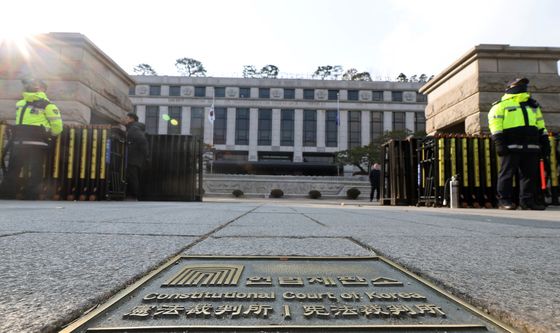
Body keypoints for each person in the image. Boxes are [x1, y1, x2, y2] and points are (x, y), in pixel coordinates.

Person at [488, 77, 549, 210]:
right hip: (510, 146)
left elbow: (541, 125)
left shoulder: (533, 105)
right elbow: (495, 126)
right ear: (509, 88)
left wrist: (545, 141)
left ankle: (527, 202)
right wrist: (499, 143)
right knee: (506, 174)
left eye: (524, 85)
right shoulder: (500, 106)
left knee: (529, 176)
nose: (522, 87)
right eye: (519, 84)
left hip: (531, 146)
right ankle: (504, 201)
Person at [0, 78, 63, 199]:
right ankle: (31, 195)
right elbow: (57, 127)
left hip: (20, 142)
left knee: (14, 169)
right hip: (37, 143)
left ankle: (6, 194)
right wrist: (50, 135)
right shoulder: (48, 106)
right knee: (35, 170)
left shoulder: (21, 104)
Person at [124, 112, 149, 200]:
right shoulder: (134, 128)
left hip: (133, 158)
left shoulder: (134, 128)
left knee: (132, 177)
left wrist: (144, 156)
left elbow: (142, 142)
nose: (124, 119)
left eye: (126, 118)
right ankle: (133, 195)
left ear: (131, 119)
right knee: (133, 177)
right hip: (136, 158)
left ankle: (133, 196)